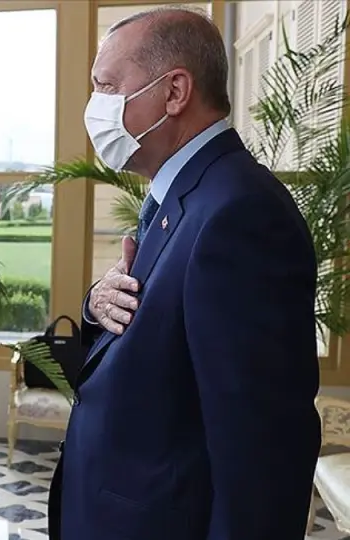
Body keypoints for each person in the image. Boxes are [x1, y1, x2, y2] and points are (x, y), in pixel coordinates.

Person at [47, 7, 320, 540]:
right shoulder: (185, 195)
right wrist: (97, 304)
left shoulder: (240, 213)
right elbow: (163, 329)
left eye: (107, 86)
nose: (95, 105)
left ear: (174, 92)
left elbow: (262, 453)